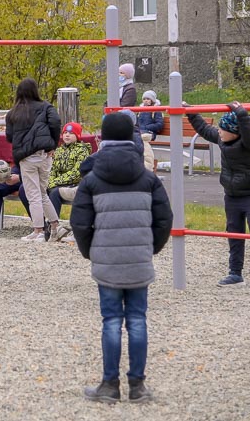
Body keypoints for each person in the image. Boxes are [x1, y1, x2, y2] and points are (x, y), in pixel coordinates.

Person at [70, 111, 172, 404]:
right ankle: (138, 386)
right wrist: (150, 248)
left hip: (106, 259)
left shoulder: (92, 179)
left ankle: (109, 385)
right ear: (131, 137)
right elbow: (164, 220)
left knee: (111, 320)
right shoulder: (148, 178)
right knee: (138, 319)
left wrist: (92, 251)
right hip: (139, 257)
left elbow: (79, 222)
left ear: (102, 138)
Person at [186, 101, 250, 290]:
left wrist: (241, 113)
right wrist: (190, 111)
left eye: (222, 129)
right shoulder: (221, 138)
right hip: (232, 195)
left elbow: (249, 132)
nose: (218, 131)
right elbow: (203, 128)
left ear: (234, 131)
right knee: (234, 233)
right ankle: (235, 273)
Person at [5, 78, 61, 242]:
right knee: (42, 193)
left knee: (34, 195)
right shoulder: (46, 107)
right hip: (45, 155)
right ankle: (56, 226)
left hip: (26, 157)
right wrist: (53, 144)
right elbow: (56, 122)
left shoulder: (13, 113)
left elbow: (9, 136)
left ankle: (38, 231)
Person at [46, 122, 92, 241]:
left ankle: (52, 228)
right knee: (43, 191)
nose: (67, 135)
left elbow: (77, 173)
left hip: (75, 183)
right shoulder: (59, 150)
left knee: (54, 192)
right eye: (65, 133)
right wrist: (51, 182)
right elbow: (53, 169)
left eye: (71, 133)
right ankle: (44, 225)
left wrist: (55, 182)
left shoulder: (82, 150)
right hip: (58, 183)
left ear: (77, 136)